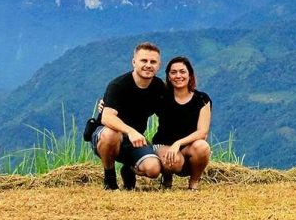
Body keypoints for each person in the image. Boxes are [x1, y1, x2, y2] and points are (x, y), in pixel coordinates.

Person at [90, 42, 167, 190]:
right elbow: (107, 117)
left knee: (153, 169)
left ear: (159, 65)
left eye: (153, 62)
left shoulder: (159, 88)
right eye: (144, 60)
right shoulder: (118, 85)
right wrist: (130, 131)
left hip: (135, 141)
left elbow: (172, 109)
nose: (148, 65)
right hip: (106, 137)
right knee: (111, 134)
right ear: (134, 62)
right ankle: (110, 178)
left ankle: (128, 169)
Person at [154, 55, 213, 191]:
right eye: (173, 72)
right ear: (168, 77)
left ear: (190, 75)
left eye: (182, 71)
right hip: (163, 144)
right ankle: (167, 179)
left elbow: (202, 132)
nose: (178, 76)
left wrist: (178, 143)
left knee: (202, 146)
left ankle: (193, 183)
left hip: (188, 147)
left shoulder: (202, 99)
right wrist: (107, 105)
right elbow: (136, 105)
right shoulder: (161, 97)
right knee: (174, 161)